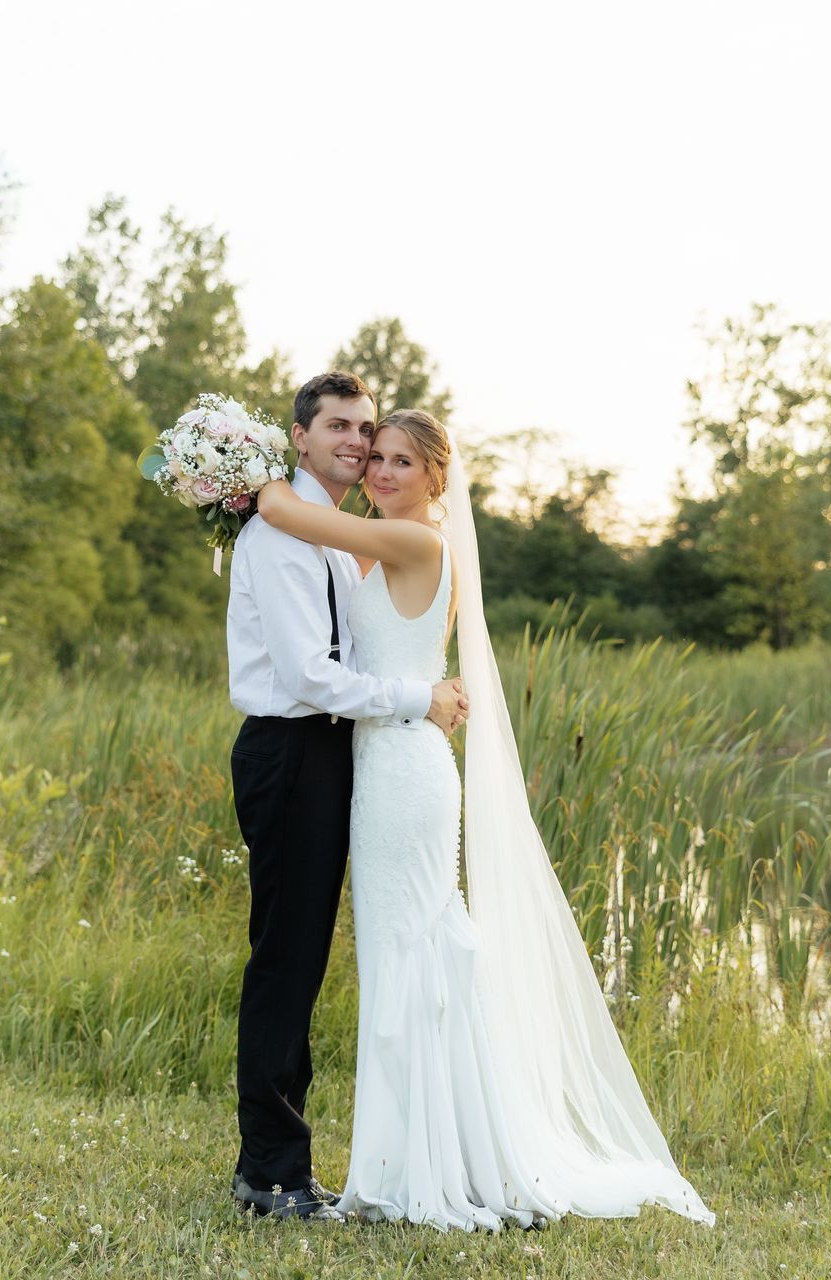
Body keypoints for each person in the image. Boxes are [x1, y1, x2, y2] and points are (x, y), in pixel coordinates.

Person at [255, 408, 715, 1231]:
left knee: (415, 954)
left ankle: (434, 1165)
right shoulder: (383, 536)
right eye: (377, 459)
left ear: (438, 476)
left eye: (401, 461)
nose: (382, 472)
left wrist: (233, 470)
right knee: (405, 954)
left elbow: (286, 513)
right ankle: (412, 1156)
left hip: (404, 770)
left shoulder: (418, 541)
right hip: (386, 760)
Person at [223, 373, 468, 1220]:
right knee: (286, 960)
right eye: (342, 428)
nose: (359, 446)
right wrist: (420, 698)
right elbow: (309, 675)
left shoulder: (340, 535)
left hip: (343, 755)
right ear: (299, 436)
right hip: (291, 747)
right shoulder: (280, 532)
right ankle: (270, 1173)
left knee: (308, 960)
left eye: (369, 433)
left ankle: (291, 1161)